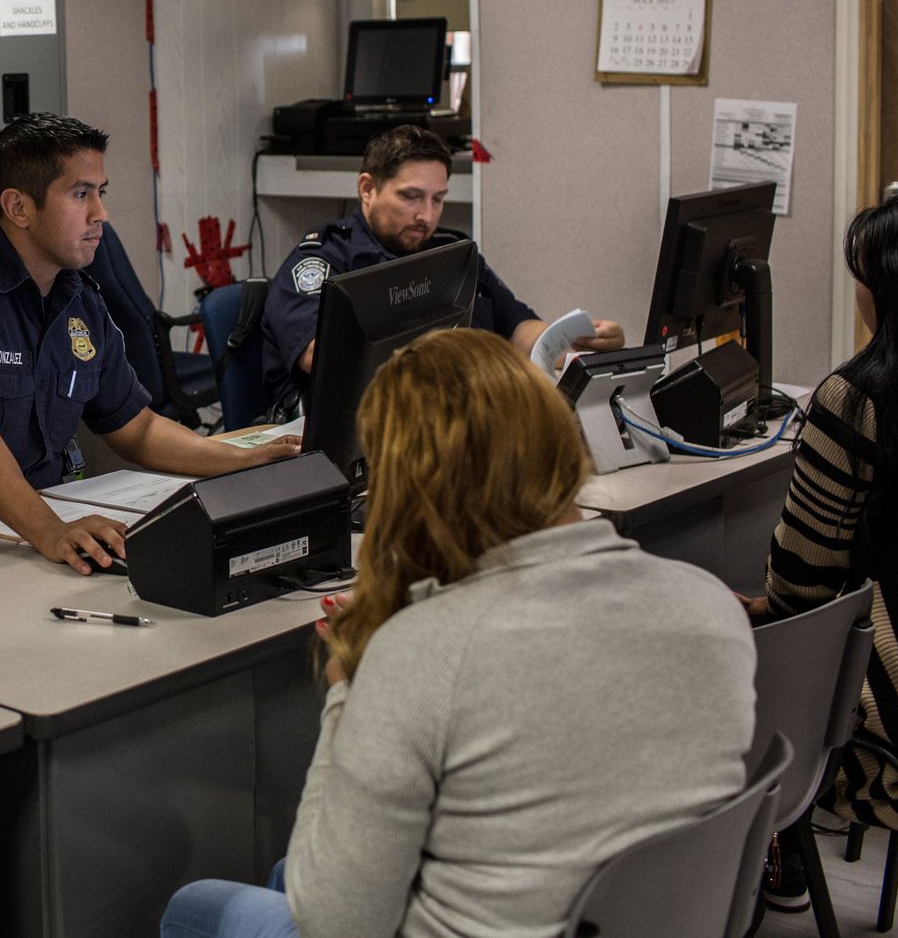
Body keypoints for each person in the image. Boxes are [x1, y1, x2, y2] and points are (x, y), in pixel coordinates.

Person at [162, 329, 756, 937]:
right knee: (293, 871)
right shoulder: (709, 606)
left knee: (198, 907)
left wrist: (348, 693)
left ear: (406, 488)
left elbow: (336, 923)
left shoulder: (421, 656)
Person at [0, 113, 300, 575]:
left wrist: (240, 461)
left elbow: (139, 428)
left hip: (32, 530)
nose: (100, 214)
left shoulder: (78, 300)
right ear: (18, 208)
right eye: (80, 194)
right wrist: (49, 530)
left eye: (100, 192)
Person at [741, 192, 898, 911]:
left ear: (890, 294)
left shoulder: (857, 399)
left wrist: (756, 610)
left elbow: (801, 583)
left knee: (730, 657)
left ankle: (772, 850)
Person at [259, 125, 625, 413]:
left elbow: (517, 328)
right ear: (368, 188)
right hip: (374, 432)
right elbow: (321, 357)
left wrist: (577, 345)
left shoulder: (451, 253)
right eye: (410, 196)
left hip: (462, 422)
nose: (426, 216)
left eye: (438, 199)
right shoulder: (324, 260)